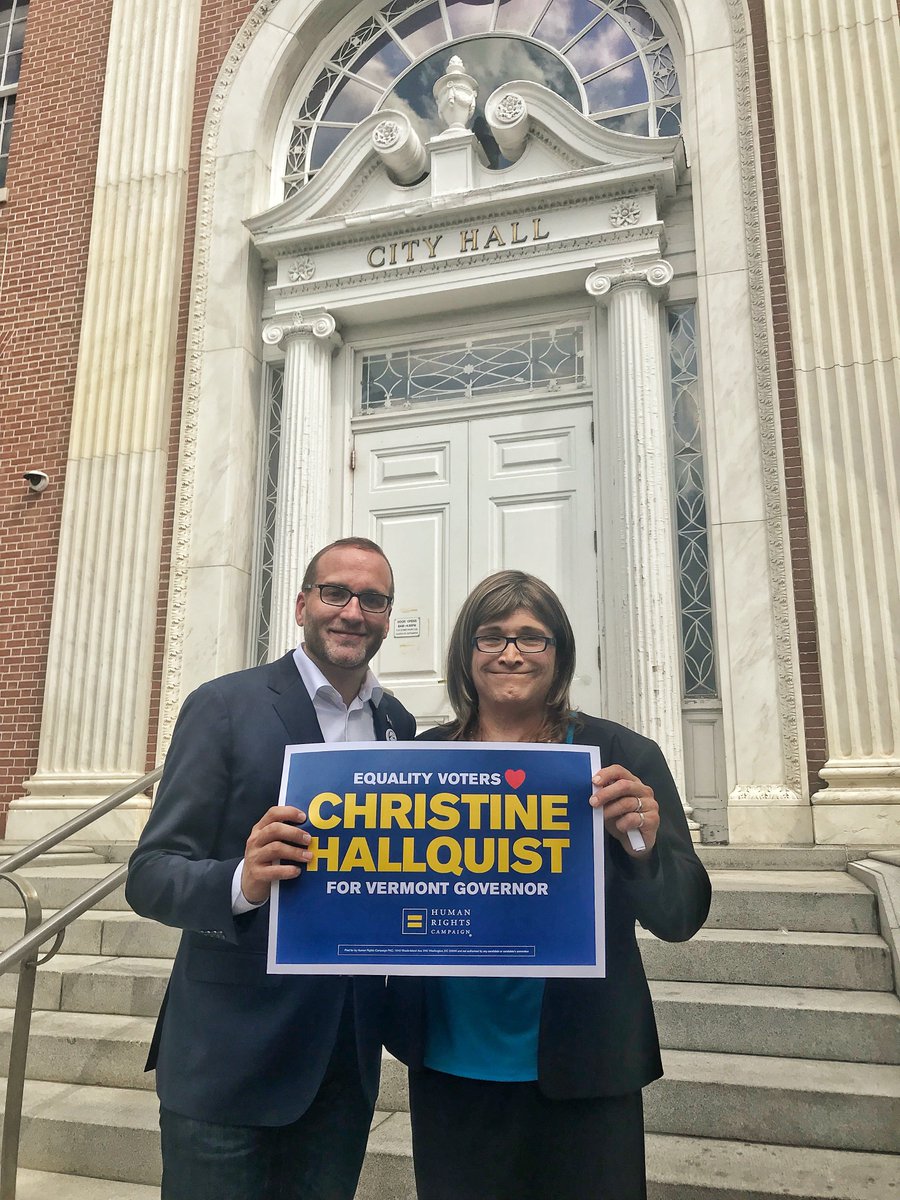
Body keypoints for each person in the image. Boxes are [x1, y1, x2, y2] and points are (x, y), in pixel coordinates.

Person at [384, 570, 711, 1200]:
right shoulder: (419, 762)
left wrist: (641, 847)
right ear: (465, 655)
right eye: (492, 637)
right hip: (451, 1064)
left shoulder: (622, 755)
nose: (511, 652)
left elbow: (681, 914)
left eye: (533, 639)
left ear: (559, 655)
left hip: (586, 1063)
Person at [126, 537, 416, 1200]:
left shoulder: (397, 723)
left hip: (342, 1064)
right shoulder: (225, 706)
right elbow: (149, 873)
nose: (352, 612)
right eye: (335, 592)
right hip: (230, 1064)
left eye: (373, 599)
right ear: (301, 605)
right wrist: (242, 882)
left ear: (387, 617)